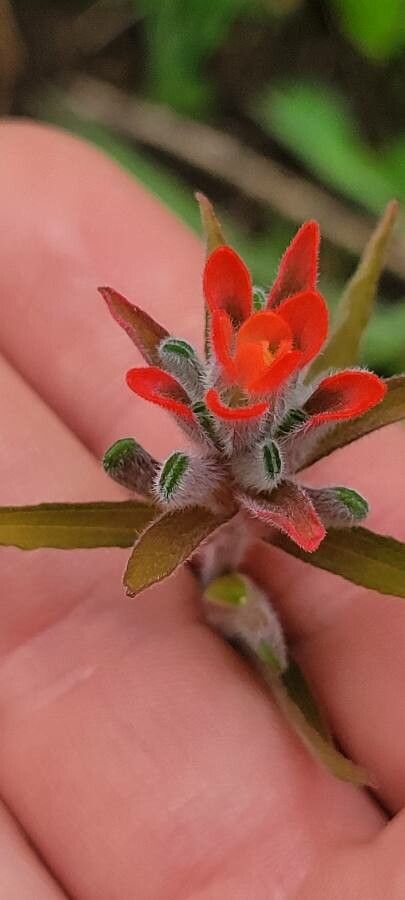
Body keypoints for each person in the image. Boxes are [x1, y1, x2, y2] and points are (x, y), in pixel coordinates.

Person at [0, 121, 404, 899]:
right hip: (207, 489)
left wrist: (291, 511)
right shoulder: (198, 393)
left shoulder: (308, 410)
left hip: (269, 482)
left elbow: (311, 507)